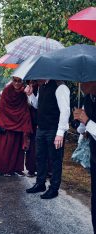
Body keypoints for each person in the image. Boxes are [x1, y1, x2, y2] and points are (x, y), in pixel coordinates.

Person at [25, 79, 70, 199]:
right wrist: (30, 95)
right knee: (40, 157)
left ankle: (54, 188)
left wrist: (60, 132)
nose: (35, 79)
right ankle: (40, 184)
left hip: (54, 130)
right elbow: (38, 105)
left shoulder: (60, 87)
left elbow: (65, 111)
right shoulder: (42, 86)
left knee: (55, 159)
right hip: (42, 128)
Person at [0, 77, 32, 176]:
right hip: (7, 123)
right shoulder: (7, 90)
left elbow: (25, 107)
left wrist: (28, 95)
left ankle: (15, 168)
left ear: (22, 82)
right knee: (6, 147)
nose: (16, 83)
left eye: (19, 81)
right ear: (12, 81)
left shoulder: (23, 92)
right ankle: (4, 168)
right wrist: (9, 119)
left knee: (16, 148)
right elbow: (3, 107)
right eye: (14, 81)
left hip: (18, 124)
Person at [73, 81, 96, 232]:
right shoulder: (88, 98)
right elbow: (83, 130)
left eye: (85, 80)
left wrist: (87, 120)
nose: (80, 84)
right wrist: (81, 122)